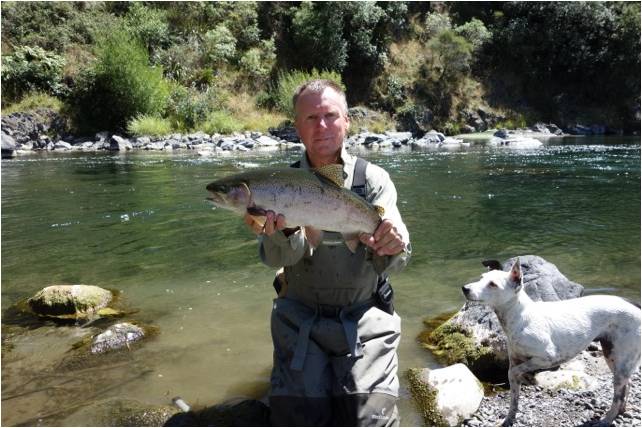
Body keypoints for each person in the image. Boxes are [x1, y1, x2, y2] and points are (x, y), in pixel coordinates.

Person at [244, 79, 411, 426]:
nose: (321, 126)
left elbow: (395, 256)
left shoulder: (374, 180)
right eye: (310, 118)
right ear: (297, 127)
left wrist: (393, 244)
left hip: (364, 317)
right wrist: (286, 232)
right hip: (299, 317)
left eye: (330, 115)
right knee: (298, 418)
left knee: (371, 420)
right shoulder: (278, 185)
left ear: (347, 121)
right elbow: (277, 260)